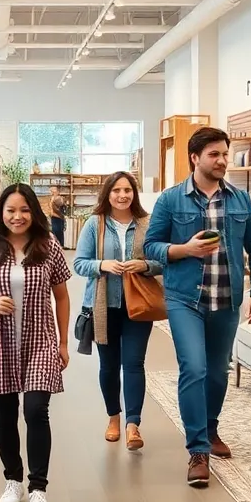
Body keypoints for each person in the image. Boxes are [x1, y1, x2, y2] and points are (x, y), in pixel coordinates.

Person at [145, 127, 251, 488]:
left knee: (218, 373)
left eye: (225, 154)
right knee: (194, 368)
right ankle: (197, 450)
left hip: (227, 300)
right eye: (214, 154)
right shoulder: (171, 200)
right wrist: (184, 250)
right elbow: (151, 247)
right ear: (195, 158)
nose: (222, 161)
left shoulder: (240, 200)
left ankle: (210, 428)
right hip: (185, 298)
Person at [0, 183, 72, 502]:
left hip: (40, 340)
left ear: (34, 213)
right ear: (1, 213)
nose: (17, 216)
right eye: (10, 210)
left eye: (24, 210)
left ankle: (38, 488)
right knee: (5, 414)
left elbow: (63, 297)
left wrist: (63, 342)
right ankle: (13, 481)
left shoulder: (49, 246)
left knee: (37, 410)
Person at [73, 171, 162, 451]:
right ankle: (113, 417)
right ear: (107, 194)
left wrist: (144, 266)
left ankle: (132, 424)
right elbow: (79, 264)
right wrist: (102, 265)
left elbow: (163, 261)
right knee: (109, 366)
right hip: (103, 306)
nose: (123, 195)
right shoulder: (95, 224)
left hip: (139, 306)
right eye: (116, 190)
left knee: (134, 364)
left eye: (128, 190)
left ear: (134, 194)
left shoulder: (148, 224)